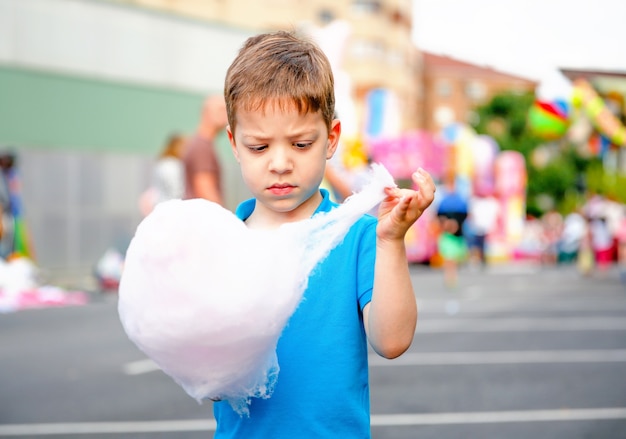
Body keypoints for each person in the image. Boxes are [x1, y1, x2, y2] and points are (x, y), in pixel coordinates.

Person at [214, 30, 435, 438]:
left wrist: (392, 242)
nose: (280, 163)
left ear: (331, 139)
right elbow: (211, 378)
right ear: (234, 144)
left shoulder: (359, 236)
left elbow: (392, 341)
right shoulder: (222, 243)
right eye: (259, 147)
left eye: (300, 143)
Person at [182, 94, 229, 204]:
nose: (226, 116)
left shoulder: (201, 144)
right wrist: (226, 218)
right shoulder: (201, 147)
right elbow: (205, 190)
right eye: (221, 110)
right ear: (206, 112)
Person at [139, 134, 186, 216]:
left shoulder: (161, 163)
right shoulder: (173, 165)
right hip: (170, 209)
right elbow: (177, 191)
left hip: (158, 206)